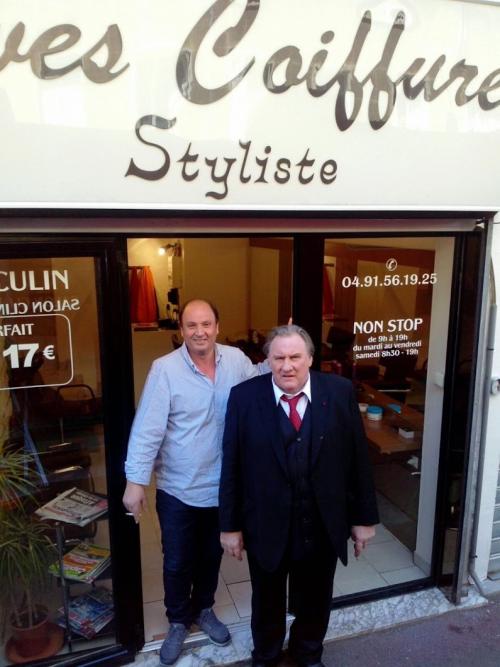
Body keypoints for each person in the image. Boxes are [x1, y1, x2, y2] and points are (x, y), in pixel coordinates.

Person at [219, 324, 379, 667]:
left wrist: (364, 519)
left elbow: (358, 459)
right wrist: (230, 527)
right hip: (266, 522)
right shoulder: (244, 397)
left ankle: (308, 653)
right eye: (278, 358)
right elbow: (231, 465)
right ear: (268, 360)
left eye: (295, 357)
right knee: (267, 599)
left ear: (310, 358)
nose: (287, 366)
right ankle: (266, 656)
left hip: (322, 521)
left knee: (316, 596)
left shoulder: (339, 391)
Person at [123, 299, 269, 665]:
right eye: (192, 325)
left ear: (217, 327)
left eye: (206, 324)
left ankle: (203, 608)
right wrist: (135, 481)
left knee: (210, 556)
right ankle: (177, 620)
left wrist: (284, 346)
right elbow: (147, 428)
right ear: (181, 330)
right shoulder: (165, 370)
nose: (199, 332)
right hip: (179, 488)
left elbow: (260, 378)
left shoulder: (235, 360)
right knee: (177, 561)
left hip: (223, 487)